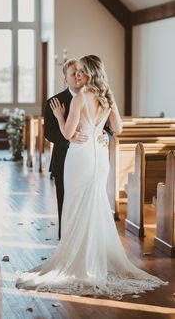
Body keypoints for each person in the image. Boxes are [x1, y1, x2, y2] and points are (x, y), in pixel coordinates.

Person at [16, 55, 167, 299]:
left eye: (81, 72)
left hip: (80, 158)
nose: (78, 76)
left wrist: (60, 117)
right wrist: (104, 133)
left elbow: (66, 132)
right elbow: (118, 129)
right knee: (96, 204)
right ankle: (95, 256)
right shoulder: (107, 98)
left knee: (77, 206)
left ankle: (79, 258)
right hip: (99, 159)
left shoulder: (78, 99)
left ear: (88, 73)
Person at [44, 58, 111, 239]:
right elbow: (48, 133)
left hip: (90, 157)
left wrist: (107, 136)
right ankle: (65, 240)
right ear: (65, 78)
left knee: (89, 200)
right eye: (72, 74)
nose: (77, 77)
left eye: (79, 72)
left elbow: (109, 128)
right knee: (65, 200)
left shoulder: (98, 97)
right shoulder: (54, 101)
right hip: (64, 157)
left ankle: (89, 239)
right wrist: (69, 136)